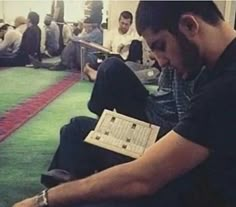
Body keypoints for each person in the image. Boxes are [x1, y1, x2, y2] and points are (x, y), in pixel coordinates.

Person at [13, 1, 236, 207]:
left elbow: (144, 178)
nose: (161, 61)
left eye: (161, 45)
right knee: (78, 129)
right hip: (187, 170)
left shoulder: (225, 86)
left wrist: (43, 200)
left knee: (91, 191)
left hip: (197, 190)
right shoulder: (216, 67)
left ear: (189, 25)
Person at [30, 17, 103, 71]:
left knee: (73, 44)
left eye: (85, 27)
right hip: (84, 54)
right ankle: (42, 64)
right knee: (72, 46)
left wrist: (71, 37)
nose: (85, 29)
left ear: (91, 27)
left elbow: (79, 39)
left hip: (91, 58)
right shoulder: (89, 32)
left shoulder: (96, 33)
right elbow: (79, 38)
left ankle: (62, 64)